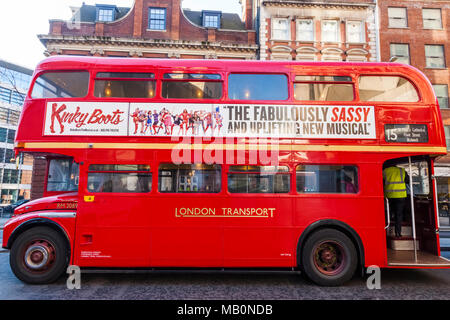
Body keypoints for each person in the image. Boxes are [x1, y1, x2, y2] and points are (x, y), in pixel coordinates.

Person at [383, 163, 409, 238]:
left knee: (388, 212)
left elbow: (380, 180)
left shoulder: (385, 171)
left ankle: (386, 230)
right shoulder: (402, 170)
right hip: (401, 195)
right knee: (399, 214)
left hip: (389, 195)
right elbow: (407, 180)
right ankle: (398, 233)